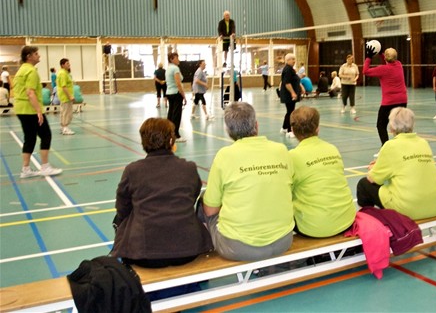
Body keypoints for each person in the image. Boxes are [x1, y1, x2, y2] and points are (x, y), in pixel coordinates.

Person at [111, 118, 213, 268]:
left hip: (144, 255)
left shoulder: (133, 170)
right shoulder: (188, 168)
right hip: (188, 251)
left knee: (120, 218)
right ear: (172, 140)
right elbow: (191, 197)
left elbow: (122, 208)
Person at [201, 102, 294, 261]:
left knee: (203, 205)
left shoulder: (224, 156)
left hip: (238, 247)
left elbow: (210, 211)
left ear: (228, 131)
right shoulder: (281, 150)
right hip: (283, 241)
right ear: (256, 126)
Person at [356, 107, 436, 220]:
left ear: (392, 127)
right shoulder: (423, 143)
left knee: (364, 185)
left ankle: (369, 221)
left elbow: (373, 179)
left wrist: (374, 168)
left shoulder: (390, 146)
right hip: (435, 205)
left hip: (408, 209)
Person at [289, 106, 356, 237]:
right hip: (347, 220)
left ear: (292, 130)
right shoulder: (332, 149)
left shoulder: (292, 157)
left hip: (314, 228)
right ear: (317, 128)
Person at [13, 46, 62, 178]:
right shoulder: (31, 71)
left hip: (21, 109)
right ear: (29, 56)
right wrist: (39, 111)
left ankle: (26, 169)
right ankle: (45, 167)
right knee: (46, 135)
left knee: (30, 138)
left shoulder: (21, 70)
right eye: (36, 54)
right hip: (30, 110)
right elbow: (30, 92)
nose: (39, 56)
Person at [363, 45, 407, 146]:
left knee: (381, 125)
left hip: (389, 102)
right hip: (402, 100)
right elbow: (388, 62)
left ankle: (386, 147)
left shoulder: (382, 69)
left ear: (386, 57)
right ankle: (402, 147)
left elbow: (365, 71)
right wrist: (381, 53)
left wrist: (369, 57)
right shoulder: (399, 65)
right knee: (400, 126)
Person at [279, 53, 304, 138]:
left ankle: (284, 127)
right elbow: (287, 83)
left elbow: (295, 79)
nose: (294, 61)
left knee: (289, 111)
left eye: (294, 59)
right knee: (291, 112)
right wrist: (293, 93)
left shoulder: (291, 69)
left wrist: (301, 87)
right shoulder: (288, 69)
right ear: (287, 60)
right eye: (292, 59)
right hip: (288, 95)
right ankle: (290, 131)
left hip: (290, 94)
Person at [165, 52, 187, 142]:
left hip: (169, 93)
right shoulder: (175, 68)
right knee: (176, 115)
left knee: (170, 114)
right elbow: (178, 83)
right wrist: (183, 95)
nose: (178, 60)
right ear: (171, 59)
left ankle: (168, 133)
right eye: (176, 58)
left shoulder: (168, 68)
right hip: (176, 93)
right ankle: (176, 135)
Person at [56, 58, 76, 135]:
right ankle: (65, 128)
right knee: (66, 113)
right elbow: (64, 87)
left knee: (64, 112)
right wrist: (70, 96)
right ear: (62, 65)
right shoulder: (63, 74)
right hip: (65, 97)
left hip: (65, 96)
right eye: (67, 63)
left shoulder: (65, 73)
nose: (69, 65)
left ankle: (63, 127)